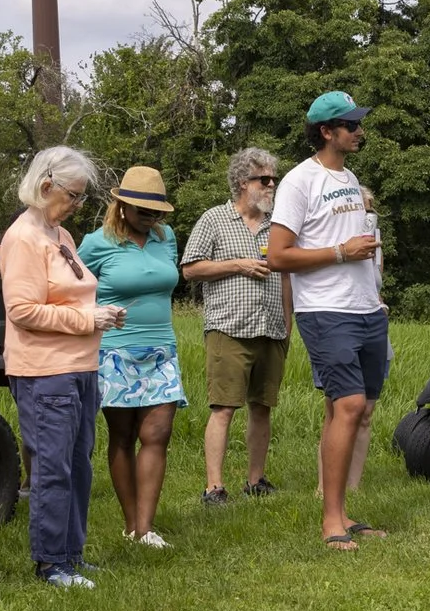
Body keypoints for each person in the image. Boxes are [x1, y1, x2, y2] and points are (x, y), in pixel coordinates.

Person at [270, 92, 392, 552]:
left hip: (366, 309)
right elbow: (278, 256)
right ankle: (330, 523)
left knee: (354, 408)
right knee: (349, 404)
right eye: (351, 125)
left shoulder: (350, 178)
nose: (360, 131)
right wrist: (342, 252)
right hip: (326, 310)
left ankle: (342, 513)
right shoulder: (299, 181)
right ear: (326, 131)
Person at [1, 147, 121, 587]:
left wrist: (99, 314)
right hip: (44, 371)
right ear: (46, 185)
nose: (78, 205)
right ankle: (51, 563)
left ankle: (71, 554)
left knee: (77, 464)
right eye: (73, 195)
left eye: (82, 197)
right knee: (53, 468)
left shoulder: (60, 235)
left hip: (79, 366)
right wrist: (87, 319)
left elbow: (69, 294)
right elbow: (22, 311)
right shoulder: (24, 238)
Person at [80, 167, 185, 547]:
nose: (151, 218)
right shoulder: (96, 243)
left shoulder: (165, 238)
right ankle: (130, 525)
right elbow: (73, 289)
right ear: (122, 206)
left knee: (157, 433)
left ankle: (146, 528)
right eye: (144, 211)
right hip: (114, 352)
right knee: (122, 437)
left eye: (157, 212)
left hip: (162, 350)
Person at [181, 148, 288, 504]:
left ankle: (256, 481)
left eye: (273, 179)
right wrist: (238, 265)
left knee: (262, 406)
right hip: (229, 327)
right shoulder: (214, 219)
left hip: (272, 328)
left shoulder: (279, 224)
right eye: (264, 179)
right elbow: (190, 269)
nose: (271, 185)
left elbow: (288, 275)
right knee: (224, 407)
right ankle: (214, 487)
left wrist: (289, 323)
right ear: (243, 182)